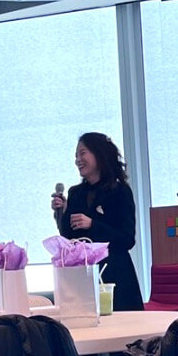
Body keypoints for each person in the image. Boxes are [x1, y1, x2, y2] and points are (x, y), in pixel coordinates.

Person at [50, 132, 144, 312]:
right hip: (83, 279)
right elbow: (69, 237)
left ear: (99, 153)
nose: (78, 159)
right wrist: (60, 213)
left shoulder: (120, 191)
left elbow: (126, 239)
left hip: (115, 275)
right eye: (76, 155)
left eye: (82, 153)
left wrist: (93, 225)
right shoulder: (76, 193)